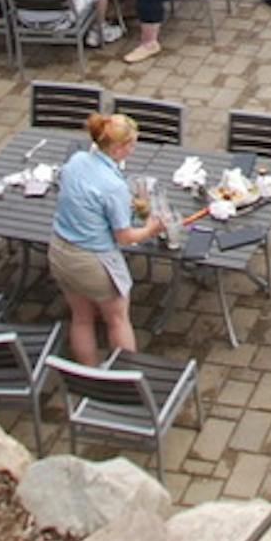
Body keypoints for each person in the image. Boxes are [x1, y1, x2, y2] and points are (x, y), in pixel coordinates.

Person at [50, 111, 167, 366]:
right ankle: (123, 379)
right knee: (117, 320)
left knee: (81, 318)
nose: (133, 149)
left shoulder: (77, 160)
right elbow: (124, 237)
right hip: (92, 260)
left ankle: (88, 377)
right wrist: (150, 229)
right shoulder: (113, 186)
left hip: (60, 251)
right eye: (131, 144)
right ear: (116, 147)